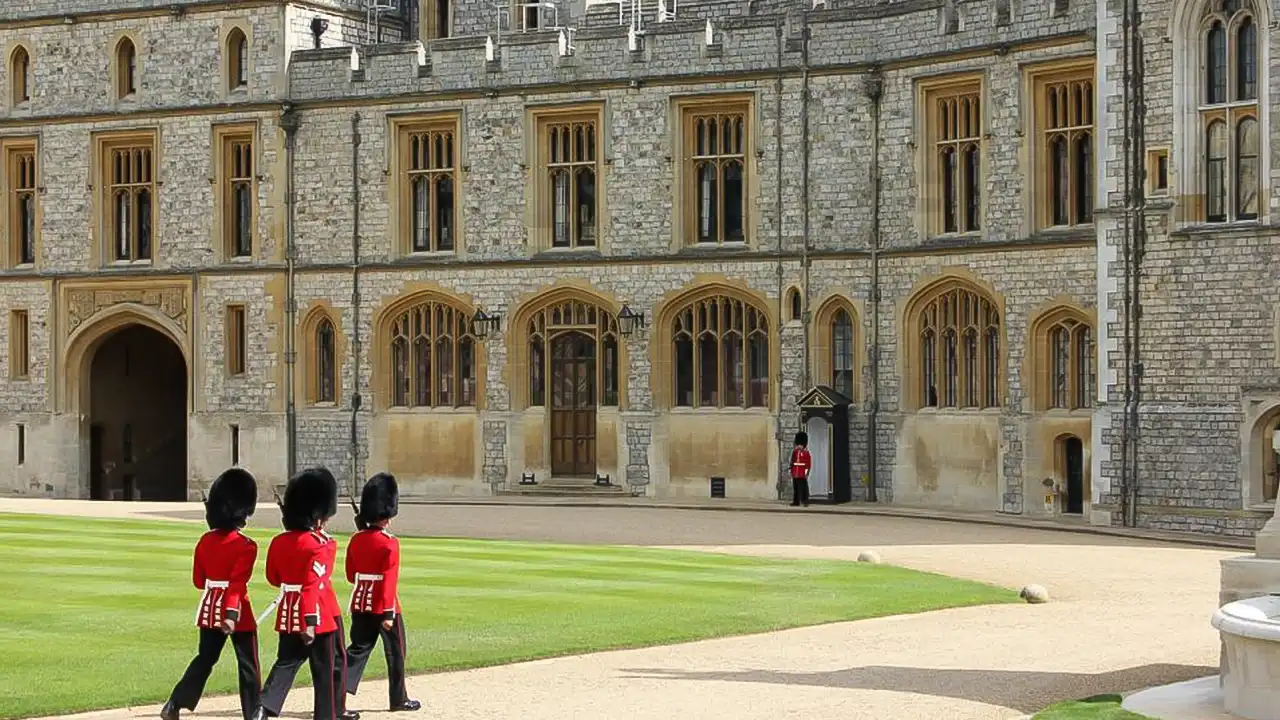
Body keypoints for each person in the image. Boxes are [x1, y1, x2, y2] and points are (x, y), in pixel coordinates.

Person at [163, 468, 264, 720]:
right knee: (248, 664)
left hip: (209, 608)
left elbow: (199, 581)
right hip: (236, 611)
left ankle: (174, 703)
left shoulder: (205, 541)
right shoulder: (246, 546)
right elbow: (238, 585)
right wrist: (230, 614)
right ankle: (253, 714)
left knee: (205, 659)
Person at [259, 468, 357, 720]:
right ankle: (329, 713)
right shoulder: (321, 544)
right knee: (328, 666)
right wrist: (310, 621)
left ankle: (262, 708)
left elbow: (273, 578)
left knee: (287, 661)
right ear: (318, 515)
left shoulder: (279, 541)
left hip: (289, 610)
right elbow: (314, 585)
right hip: (320, 614)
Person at [344, 473, 421, 712]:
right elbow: (389, 581)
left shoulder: (356, 540)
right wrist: (388, 612)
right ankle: (398, 699)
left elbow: (350, 575)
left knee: (357, 650)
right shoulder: (389, 543)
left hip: (360, 601)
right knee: (396, 653)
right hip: (384, 605)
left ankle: (334, 694)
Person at [790, 431, 812, 507]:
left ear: (803, 445)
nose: (799, 446)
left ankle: (805, 501)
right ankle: (796, 501)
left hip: (802, 472)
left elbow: (808, 464)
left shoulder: (806, 453)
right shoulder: (795, 452)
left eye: (800, 444)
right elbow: (792, 461)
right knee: (795, 488)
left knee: (803, 488)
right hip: (795, 472)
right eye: (798, 444)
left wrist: (806, 473)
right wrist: (792, 471)